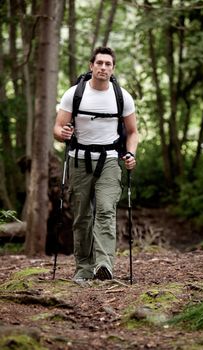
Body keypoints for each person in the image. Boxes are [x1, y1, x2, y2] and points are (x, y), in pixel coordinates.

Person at [54, 46, 138, 283]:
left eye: (108, 64)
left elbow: (132, 132)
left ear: (113, 68)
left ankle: (104, 266)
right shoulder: (74, 94)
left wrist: (130, 154)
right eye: (99, 63)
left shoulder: (122, 97)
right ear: (91, 66)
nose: (103, 67)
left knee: (105, 209)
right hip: (79, 161)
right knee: (82, 216)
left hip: (110, 161)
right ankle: (83, 268)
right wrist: (64, 133)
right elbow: (57, 129)